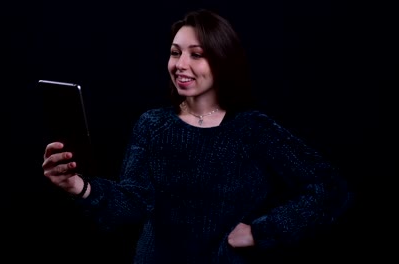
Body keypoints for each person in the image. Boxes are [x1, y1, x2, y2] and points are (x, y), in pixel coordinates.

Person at [42, 9, 351, 263]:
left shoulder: (253, 129)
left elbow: (330, 187)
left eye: (197, 54)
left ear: (222, 61)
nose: (181, 65)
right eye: (175, 53)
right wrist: (79, 186)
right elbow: (133, 204)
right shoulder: (153, 124)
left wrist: (263, 231)